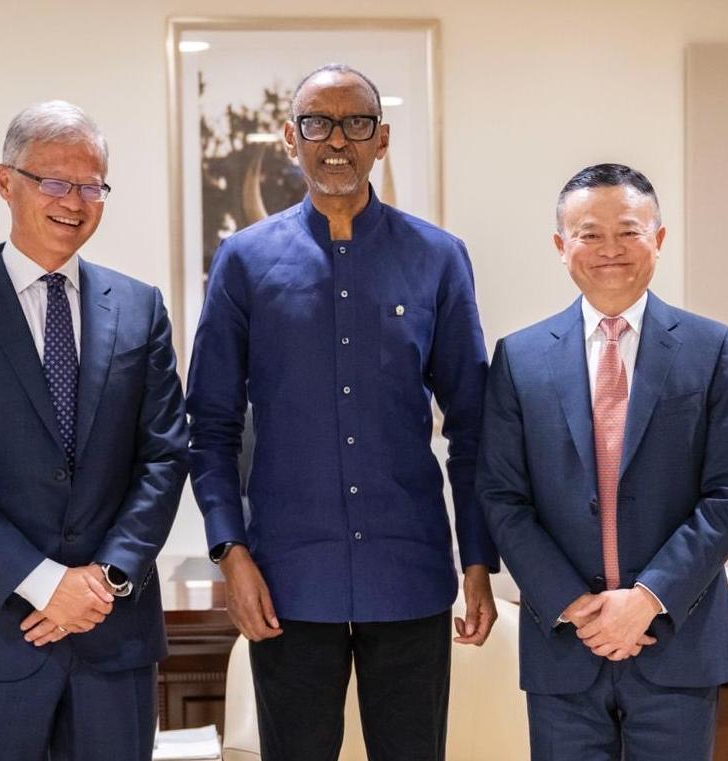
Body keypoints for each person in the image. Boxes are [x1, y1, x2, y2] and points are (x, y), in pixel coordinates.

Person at [187, 64, 499, 761]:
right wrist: (231, 552)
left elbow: (474, 425)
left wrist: (478, 557)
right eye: (317, 123)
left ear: (381, 139)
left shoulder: (439, 259)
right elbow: (210, 427)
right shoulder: (243, 262)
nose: (336, 140)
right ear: (289, 137)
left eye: (356, 123)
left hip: (409, 574)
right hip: (287, 582)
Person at [0, 100, 188, 761]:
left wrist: (105, 578)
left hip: (114, 631)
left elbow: (165, 457)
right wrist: (45, 582)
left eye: (92, 186)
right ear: (7, 182)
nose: (74, 202)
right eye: (55, 181)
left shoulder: (140, 308)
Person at [478, 163, 728, 759]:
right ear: (561, 246)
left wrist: (647, 600)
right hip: (564, 647)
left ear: (659, 238)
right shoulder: (520, 358)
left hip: (677, 642)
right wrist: (577, 607)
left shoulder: (711, 349)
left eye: (629, 231)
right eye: (590, 234)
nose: (611, 249)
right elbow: (502, 497)